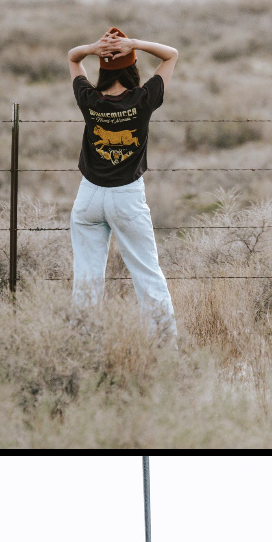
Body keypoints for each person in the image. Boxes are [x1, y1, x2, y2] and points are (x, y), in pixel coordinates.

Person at [66, 28, 179, 341]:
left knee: (86, 281)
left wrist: (93, 47)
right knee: (147, 276)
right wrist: (135, 44)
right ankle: (164, 350)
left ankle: (81, 347)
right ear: (133, 68)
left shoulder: (89, 99)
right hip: (127, 197)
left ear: (102, 69)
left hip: (88, 196)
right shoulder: (144, 100)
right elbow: (171, 54)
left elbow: (73, 58)